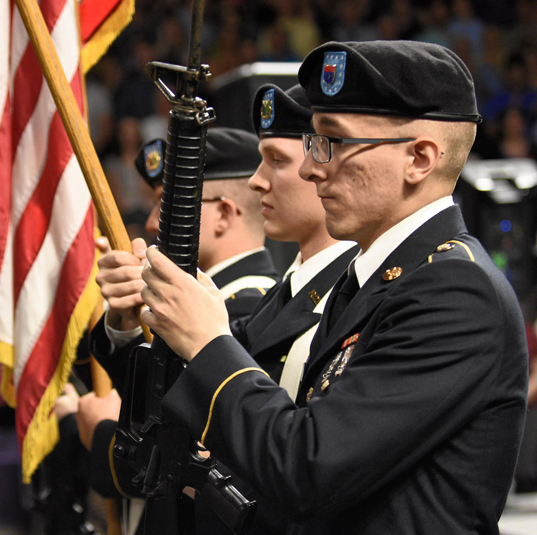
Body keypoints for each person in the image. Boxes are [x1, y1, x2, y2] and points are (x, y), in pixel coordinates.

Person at [139, 41, 529, 534]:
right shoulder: (374, 278)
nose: (310, 168)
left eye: (332, 142)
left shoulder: (456, 292)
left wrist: (209, 341)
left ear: (420, 158)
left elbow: (307, 468)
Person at [80, 86, 359, 535]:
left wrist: (101, 433)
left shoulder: (334, 298)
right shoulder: (283, 296)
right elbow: (169, 409)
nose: (257, 179)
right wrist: (126, 322)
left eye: (278, 161)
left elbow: (295, 460)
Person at [71, 127, 279, 534]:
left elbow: (189, 453)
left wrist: (96, 432)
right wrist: (124, 321)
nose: (152, 223)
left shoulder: (252, 305)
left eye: (170, 207)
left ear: (223, 213)